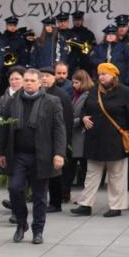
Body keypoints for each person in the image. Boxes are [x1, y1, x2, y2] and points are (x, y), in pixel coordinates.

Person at [0, 69, 66, 244]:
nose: (28, 83)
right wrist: (1, 153)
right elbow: (4, 129)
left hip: (41, 155)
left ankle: (38, 230)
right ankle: (21, 223)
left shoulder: (52, 101)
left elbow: (59, 129)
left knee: (39, 196)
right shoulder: (12, 101)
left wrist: (59, 153)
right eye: (26, 80)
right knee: (14, 188)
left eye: (32, 80)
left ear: (39, 83)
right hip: (18, 154)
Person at [71, 62, 129, 217]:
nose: (101, 77)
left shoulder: (125, 92)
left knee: (116, 175)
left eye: (104, 74)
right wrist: (83, 117)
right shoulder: (93, 91)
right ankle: (85, 205)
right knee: (91, 175)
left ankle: (116, 206)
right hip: (94, 139)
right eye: (99, 74)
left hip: (116, 141)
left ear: (114, 75)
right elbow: (85, 109)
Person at [39, 66, 73, 212]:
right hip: (40, 138)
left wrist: (63, 143)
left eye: (47, 76)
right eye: (42, 76)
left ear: (53, 78)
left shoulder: (61, 95)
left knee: (55, 172)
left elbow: (66, 121)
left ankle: (56, 202)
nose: (44, 79)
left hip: (55, 139)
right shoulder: (38, 93)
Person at [65, 70, 94, 191]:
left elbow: (88, 116)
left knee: (84, 168)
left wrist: (73, 121)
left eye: (76, 82)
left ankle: (84, 196)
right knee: (73, 167)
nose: (73, 85)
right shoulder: (77, 94)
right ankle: (66, 193)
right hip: (76, 136)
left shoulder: (88, 95)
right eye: (73, 82)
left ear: (83, 82)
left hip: (82, 136)